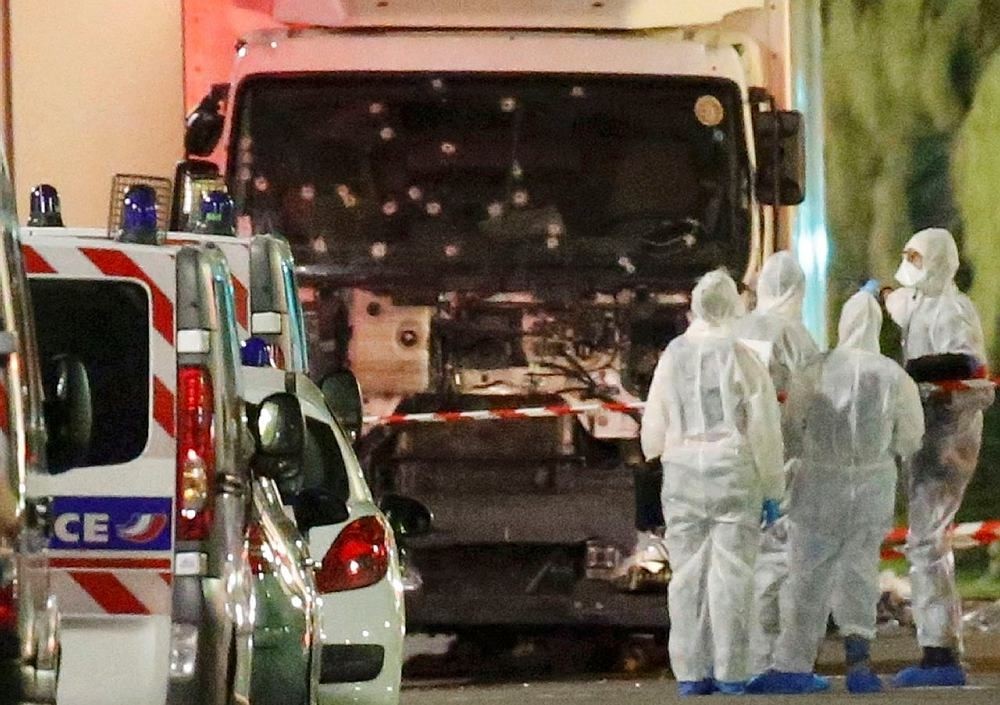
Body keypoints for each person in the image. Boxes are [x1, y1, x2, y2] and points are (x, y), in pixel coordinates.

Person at [746, 290, 925, 694]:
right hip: (873, 486)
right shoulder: (894, 376)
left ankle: (793, 666)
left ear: (843, 324)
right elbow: (910, 438)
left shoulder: (817, 368)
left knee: (806, 576)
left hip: (819, 484)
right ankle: (859, 663)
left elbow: (791, 428)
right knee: (860, 571)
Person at [641, 269, 783, 696]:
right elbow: (763, 425)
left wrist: (657, 451)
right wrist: (772, 487)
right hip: (732, 473)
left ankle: (690, 672)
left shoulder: (674, 354)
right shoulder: (742, 355)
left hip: (682, 472)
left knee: (686, 576)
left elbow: (654, 420)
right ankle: (731, 671)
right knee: (732, 575)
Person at [884, 228, 995, 687]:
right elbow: (896, 302)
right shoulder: (919, 303)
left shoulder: (953, 309)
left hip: (949, 437)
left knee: (928, 540)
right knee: (926, 538)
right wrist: (876, 295)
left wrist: (912, 372)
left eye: (915, 257)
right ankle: (940, 647)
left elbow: (966, 364)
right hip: (927, 434)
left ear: (937, 261)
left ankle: (940, 652)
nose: (908, 264)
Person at [733, 251, 820, 674]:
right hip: (783, 457)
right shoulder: (796, 336)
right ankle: (770, 661)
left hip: (735, 457)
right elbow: (810, 403)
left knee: (736, 557)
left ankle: (732, 658)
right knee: (778, 557)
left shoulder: (741, 328)